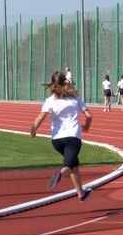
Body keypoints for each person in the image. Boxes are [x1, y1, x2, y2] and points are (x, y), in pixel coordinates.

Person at [30, 71, 93, 202]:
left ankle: (81, 194)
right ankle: (60, 174)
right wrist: (86, 126)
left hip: (56, 140)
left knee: (74, 164)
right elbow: (89, 115)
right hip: (72, 138)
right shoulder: (75, 98)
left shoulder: (50, 101)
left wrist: (33, 129)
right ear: (65, 82)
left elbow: (41, 116)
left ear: (52, 84)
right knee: (67, 166)